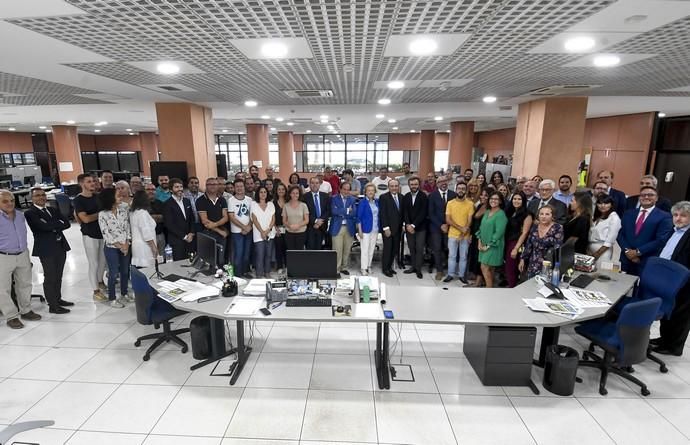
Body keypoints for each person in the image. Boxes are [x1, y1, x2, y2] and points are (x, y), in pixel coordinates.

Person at [24, 188, 73, 314]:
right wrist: (56, 224)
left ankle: (58, 299)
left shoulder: (52, 209)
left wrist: (51, 225)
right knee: (50, 276)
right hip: (46, 248)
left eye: (43, 195)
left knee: (59, 275)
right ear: (32, 198)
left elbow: (67, 223)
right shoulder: (30, 213)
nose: (41, 197)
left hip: (60, 245)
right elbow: (42, 227)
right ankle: (52, 305)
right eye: (37, 196)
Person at [651, 201, 690, 356]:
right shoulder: (674, 231)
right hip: (668, 279)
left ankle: (674, 347)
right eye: (675, 215)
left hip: (685, 283)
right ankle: (665, 339)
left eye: (683, 216)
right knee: (669, 311)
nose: (678, 218)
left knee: (680, 314)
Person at [0, 190, 42, 328]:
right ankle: (11, 316)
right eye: (5, 201)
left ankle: (26, 310)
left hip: (22, 253)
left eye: (11, 200)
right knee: (3, 289)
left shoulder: (19, 215)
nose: (9, 204)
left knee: (25, 284)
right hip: (3, 256)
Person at [617, 186, 673, 276]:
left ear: (657, 198)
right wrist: (627, 252)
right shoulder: (628, 213)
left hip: (645, 261)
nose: (646, 197)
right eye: (643, 195)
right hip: (626, 260)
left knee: (640, 288)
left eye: (650, 195)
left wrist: (637, 252)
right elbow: (620, 234)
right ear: (639, 198)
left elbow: (661, 240)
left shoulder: (665, 216)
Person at [73, 173, 107, 302]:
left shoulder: (97, 197)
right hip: (90, 235)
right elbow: (85, 219)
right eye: (88, 181)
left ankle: (100, 281)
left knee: (103, 262)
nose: (92, 183)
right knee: (94, 263)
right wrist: (100, 214)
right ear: (82, 184)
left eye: (93, 181)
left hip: (102, 233)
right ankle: (95, 290)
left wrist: (98, 215)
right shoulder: (78, 200)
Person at [98, 188, 131, 308]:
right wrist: (119, 245)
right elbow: (105, 233)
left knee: (125, 271)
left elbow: (127, 227)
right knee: (113, 273)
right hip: (112, 247)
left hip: (125, 245)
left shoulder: (123, 210)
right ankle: (112, 298)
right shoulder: (103, 214)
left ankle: (124, 293)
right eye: (118, 196)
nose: (121, 198)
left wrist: (127, 243)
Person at [519, 206, 564, 278]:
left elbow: (557, 248)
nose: (544, 216)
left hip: (549, 265)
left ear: (552, 216)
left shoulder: (558, 228)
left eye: (547, 214)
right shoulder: (534, 227)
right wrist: (523, 259)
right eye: (541, 214)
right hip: (533, 264)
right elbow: (529, 245)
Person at [444, 182, 474, 284]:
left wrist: (463, 233)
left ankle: (461, 275)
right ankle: (450, 274)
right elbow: (448, 220)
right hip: (452, 234)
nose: (461, 190)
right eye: (459, 188)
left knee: (463, 256)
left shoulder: (470, 204)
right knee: (451, 256)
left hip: (465, 236)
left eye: (463, 189)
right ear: (456, 189)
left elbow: (469, 220)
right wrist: (461, 229)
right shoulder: (450, 203)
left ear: (466, 190)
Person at [476, 192, 508, 288]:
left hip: (493, 246)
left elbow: (498, 233)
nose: (493, 201)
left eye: (496, 199)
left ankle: (488, 289)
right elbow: (481, 228)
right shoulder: (487, 212)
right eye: (492, 198)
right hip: (483, 244)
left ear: (500, 201)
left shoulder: (501, 215)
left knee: (484, 267)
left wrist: (487, 246)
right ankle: (490, 288)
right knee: (490, 269)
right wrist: (479, 242)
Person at [428, 176, 456, 280]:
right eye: (440, 181)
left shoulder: (454, 195)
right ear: (437, 183)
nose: (443, 183)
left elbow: (455, 212)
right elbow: (431, 213)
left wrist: (448, 225)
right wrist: (441, 225)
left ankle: (450, 270)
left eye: (445, 181)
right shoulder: (432, 196)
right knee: (437, 248)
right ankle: (439, 270)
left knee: (450, 249)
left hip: (451, 227)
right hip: (436, 227)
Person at [504, 191, 533, 288]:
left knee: (512, 267)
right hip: (507, 241)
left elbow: (524, 233)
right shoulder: (510, 212)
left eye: (519, 199)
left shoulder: (527, 215)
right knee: (508, 267)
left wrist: (516, 248)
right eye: (514, 199)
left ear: (523, 201)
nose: (516, 201)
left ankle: (512, 288)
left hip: (517, 243)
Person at [402, 176, 428, 279]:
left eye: (415, 184)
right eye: (412, 184)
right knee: (411, 248)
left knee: (419, 248)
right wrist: (407, 224)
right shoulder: (406, 196)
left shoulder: (423, 196)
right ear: (409, 185)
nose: (414, 186)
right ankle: (413, 266)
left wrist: (413, 225)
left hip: (420, 227)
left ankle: (418, 269)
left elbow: (423, 212)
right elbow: (405, 212)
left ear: (419, 185)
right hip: (409, 228)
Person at [163, 178, 195, 261]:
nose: (180, 189)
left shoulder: (187, 201)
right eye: (176, 187)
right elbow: (169, 224)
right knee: (179, 265)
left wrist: (191, 233)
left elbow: (192, 218)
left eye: (181, 186)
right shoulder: (167, 204)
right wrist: (184, 236)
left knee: (191, 263)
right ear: (171, 189)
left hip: (190, 239)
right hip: (176, 241)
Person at [329, 181, 357, 276]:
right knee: (337, 249)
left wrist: (341, 212)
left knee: (347, 249)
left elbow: (354, 213)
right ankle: (336, 269)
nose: (346, 191)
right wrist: (347, 210)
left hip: (349, 227)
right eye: (344, 189)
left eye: (348, 189)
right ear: (340, 189)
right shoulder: (333, 198)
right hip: (338, 227)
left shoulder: (353, 199)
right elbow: (333, 211)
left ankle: (344, 267)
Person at [228, 179, 254, 278]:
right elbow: (231, 217)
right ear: (234, 188)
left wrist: (249, 227)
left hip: (249, 230)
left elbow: (253, 215)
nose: (239, 188)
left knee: (247, 253)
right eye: (237, 186)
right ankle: (237, 274)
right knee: (238, 253)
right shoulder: (231, 200)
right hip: (236, 232)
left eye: (241, 186)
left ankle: (245, 272)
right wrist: (244, 227)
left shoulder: (249, 200)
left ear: (244, 187)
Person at [588, 194, 622, 268]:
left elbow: (610, 240)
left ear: (611, 205)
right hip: (590, 248)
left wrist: (597, 254)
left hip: (603, 251)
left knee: (600, 274)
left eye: (606, 203)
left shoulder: (614, 218)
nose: (602, 205)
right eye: (600, 203)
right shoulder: (598, 216)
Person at [196, 177, 229, 249]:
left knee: (221, 258)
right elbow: (204, 220)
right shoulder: (200, 200)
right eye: (210, 184)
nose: (212, 186)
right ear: (206, 186)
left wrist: (215, 225)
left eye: (215, 184)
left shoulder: (222, 199)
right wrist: (219, 231)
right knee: (209, 258)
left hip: (222, 232)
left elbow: (225, 217)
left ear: (217, 186)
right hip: (207, 233)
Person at [379, 179, 403, 277]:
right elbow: (383, 214)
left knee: (394, 249)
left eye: (396, 186)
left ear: (398, 187)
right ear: (389, 187)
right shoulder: (383, 197)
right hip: (388, 229)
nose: (394, 188)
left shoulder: (402, 197)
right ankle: (385, 269)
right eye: (392, 186)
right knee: (388, 249)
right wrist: (386, 228)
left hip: (398, 228)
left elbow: (403, 213)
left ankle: (390, 267)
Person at [250, 186, 275, 278]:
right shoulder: (253, 204)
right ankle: (259, 274)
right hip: (258, 233)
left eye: (265, 192)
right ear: (258, 193)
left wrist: (267, 230)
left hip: (270, 233)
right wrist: (262, 232)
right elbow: (254, 219)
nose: (263, 194)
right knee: (260, 255)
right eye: (261, 192)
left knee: (268, 254)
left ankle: (267, 272)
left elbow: (273, 219)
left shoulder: (271, 204)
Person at [129, 190, 157, 269]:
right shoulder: (142, 213)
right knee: (147, 271)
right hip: (145, 247)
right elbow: (146, 232)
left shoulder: (133, 212)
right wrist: (153, 247)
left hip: (137, 246)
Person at [302, 177, 330, 250]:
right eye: (312, 183)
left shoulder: (325, 196)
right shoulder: (304, 197)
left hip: (322, 226)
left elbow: (328, 210)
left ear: (319, 184)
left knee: (319, 248)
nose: (314, 185)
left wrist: (320, 221)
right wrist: (315, 221)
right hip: (310, 227)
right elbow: (305, 212)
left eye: (317, 183)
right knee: (310, 248)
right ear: (309, 184)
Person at [468, 189, 489, 286]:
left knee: (481, 259)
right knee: (475, 258)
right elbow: (474, 222)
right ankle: (477, 279)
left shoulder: (490, 209)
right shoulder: (480, 206)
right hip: (475, 236)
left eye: (486, 195)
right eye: (482, 195)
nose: (483, 197)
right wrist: (471, 234)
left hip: (483, 237)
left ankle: (478, 282)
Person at [357, 183, 379, 275]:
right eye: (368, 190)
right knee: (365, 249)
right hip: (365, 230)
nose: (370, 192)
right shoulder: (363, 202)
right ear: (365, 192)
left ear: (375, 192)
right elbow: (358, 217)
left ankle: (369, 266)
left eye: (372, 190)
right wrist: (360, 230)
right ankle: (363, 268)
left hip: (375, 229)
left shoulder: (377, 202)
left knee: (371, 249)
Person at [284, 185, 309, 250]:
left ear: (299, 194)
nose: (295, 195)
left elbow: (306, 220)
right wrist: (290, 226)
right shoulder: (286, 205)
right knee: (291, 253)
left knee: (299, 254)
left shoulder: (304, 205)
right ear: (290, 194)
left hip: (301, 233)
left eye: (297, 193)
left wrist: (298, 225)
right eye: (293, 193)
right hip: (289, 233)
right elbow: (284, 220)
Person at [145, 182, 166, 256]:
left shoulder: (160, 203)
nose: (151, 191)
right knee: (150, 260)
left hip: (160, 235)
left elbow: (165, 218)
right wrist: (158, 217)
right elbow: (144, 220)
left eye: (153, 189)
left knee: (162, 258)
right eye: (148, 189)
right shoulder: (141, 204)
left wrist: (151, 217)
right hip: (147, 237)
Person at [273, 182, 288, 273]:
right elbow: (271, 217)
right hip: (277, 229)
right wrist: (275, 228)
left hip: (288, 229)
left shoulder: (289, 202)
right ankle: (279, 266)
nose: (281, 191)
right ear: (276, 191)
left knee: (287, 248)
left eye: (283, 189)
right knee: (278, 248)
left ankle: (287, 266)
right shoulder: (272, 203)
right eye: (279, 189)